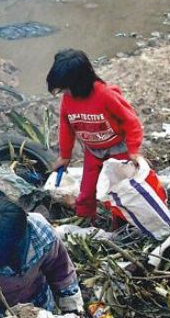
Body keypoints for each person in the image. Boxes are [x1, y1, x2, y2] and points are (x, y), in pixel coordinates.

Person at [47, 48, 146, 222]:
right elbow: (66, 127)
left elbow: (131, 122)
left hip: (118, 151)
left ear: (79, 82)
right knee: (86, 192)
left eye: (66, 89)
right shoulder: (68, 100)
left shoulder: (104, 95)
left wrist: (133, 150)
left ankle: (121, 222)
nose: (65, 93)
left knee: (119, 189)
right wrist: (64, 155)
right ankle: (85, 221)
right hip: (93, 152)